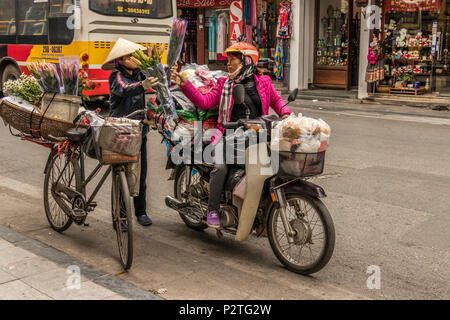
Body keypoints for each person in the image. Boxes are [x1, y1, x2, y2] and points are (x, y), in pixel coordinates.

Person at [171, 42, 291, 228]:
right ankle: (213, 210)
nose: (228, 63)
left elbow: (278, 102)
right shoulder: (225, 84)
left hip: (258, 134)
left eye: (232, 59)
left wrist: (288, 118)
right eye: (227, 60)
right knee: (220, 168)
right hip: (227, 134)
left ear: (247, 60)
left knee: (273, 165)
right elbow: (205, 102)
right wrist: (185, 85)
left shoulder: (264, 82)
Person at [102, 38, 159, 227]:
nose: (135, 59)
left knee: (140, 174)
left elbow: (155, 84)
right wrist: (142, 85)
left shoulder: (140, 74)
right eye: (131, 56)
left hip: (139, 130)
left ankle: (141, 211)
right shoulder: (116, 76)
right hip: (121, 131)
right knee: (122, 175)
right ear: (122, 60)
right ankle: (121, 215)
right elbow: (123, 90)